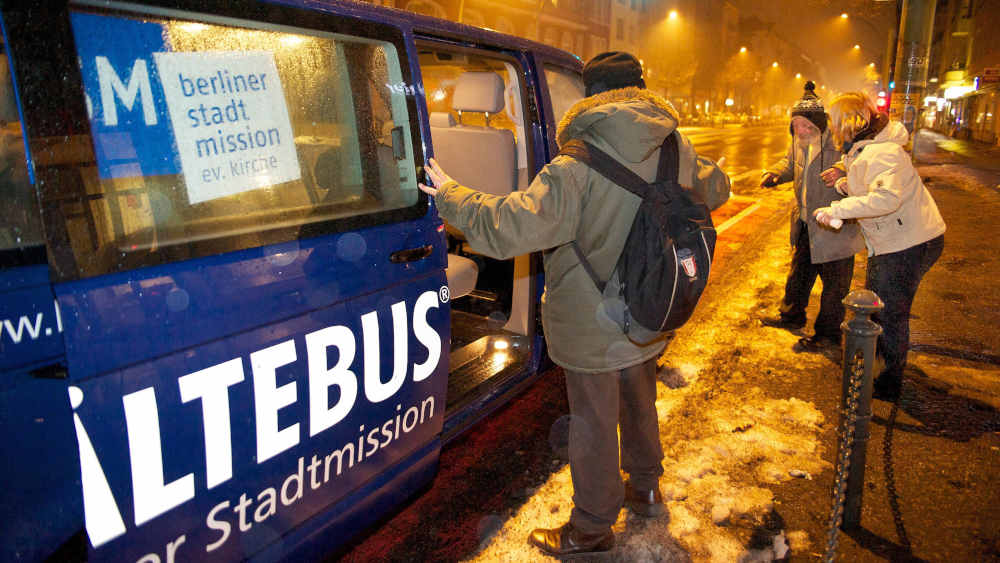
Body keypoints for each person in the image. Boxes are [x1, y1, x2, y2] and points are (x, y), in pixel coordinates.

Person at [418, 51, 729, 557]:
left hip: (592, 317)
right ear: (641, 90)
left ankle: (590, 527)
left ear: (592, 96)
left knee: (592, 421)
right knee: (639, 397)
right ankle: (646, 486)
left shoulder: (577, 162)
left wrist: (452, 196)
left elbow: (514, 225)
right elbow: (718, 189)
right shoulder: (676, 145)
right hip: (652, 302)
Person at [814, 92, 946, 400]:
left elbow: (887, 199)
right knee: (882, 306)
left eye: (834, 122)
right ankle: (878, 370)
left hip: (908, 241)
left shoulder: (883, 151)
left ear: (849, 122)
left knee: (890, 311)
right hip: (896, 240)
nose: (832, 128)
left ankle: (888, 383)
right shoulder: (866, 148)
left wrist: (837, 210)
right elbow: (873, 186)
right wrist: (846, 184)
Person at [758, 81, 864, 352]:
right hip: (807, 221)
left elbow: (863, 173)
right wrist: (776, 174)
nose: (801, 131)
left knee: (834, 285)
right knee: (800, 273)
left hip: (835, 225)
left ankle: (827, 336)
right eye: (796, 125)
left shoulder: (841, 143)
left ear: (820, 125)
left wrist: (843, 172)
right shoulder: (799, 142)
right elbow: (789, 162)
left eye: (807, 126)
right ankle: (791, 315)